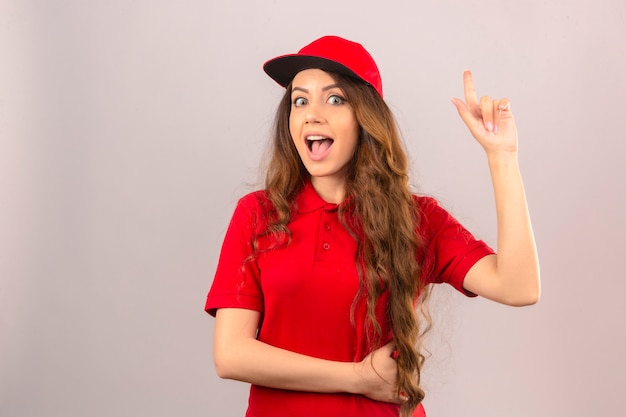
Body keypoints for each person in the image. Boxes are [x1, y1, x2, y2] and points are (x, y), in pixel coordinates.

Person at [205, 35, 540, 417]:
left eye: (335, 99)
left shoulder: (417, 218)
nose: (312, 114)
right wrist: (358, 377)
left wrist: (503, 158)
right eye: (300, 100)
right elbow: (230, 355)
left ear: (366, 118)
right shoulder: (257, 213)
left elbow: (519, 287)